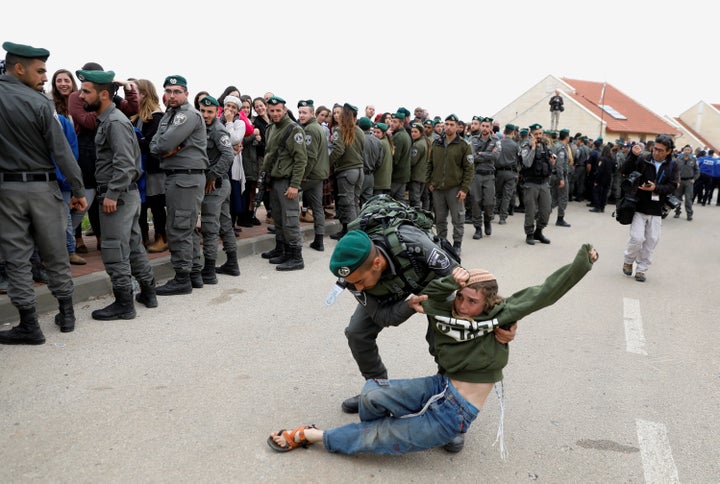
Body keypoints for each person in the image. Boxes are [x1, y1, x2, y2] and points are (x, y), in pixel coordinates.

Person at [268, 240, 597, 455]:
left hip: (456, 413)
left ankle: (315, 436)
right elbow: (431, 293)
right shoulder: (442, 305)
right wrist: (455, 282)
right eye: (462, 298)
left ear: (490, 303)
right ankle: (371, 425)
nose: (465, 306)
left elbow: (545, 293)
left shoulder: (500, 314)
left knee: (377, 438)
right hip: (442, 384)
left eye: (473, 301)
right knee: (370, 394)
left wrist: (582, 262)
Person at [0, 41, 87, 344]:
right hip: (43, 188)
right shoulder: (40, 103)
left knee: (17, 258)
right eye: (40, 71)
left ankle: (28, 324)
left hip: (7, 191)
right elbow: (61, 151)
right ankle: (66, 313)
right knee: (55, 252)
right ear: (19, 68)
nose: (44, 77)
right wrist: (77, 189)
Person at [76, 69, 157, 319]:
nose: (80, 96)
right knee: (133, 246)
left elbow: (125, 164)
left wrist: (111, 194)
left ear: (103, 94)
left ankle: (124, 303)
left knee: (113, 248)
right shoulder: (111, 120)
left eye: (86, 91)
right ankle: (148, 292)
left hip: (118, 197)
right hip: (125, 195)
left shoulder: (114, 122)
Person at [150, 75, 209, 295]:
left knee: (178, 227)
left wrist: (162, 146)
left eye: (177, 91)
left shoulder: (187, 115)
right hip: (179, 176)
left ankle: (182, 278)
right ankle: (194, 274)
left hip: (185, 177)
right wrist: (162, 147)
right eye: (168, 91)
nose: (172, 95)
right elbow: (155, 145)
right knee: (187, 227)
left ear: (186, 93)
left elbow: (162, 143)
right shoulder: (170, 114)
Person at [620, 135, 679, 282]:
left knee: (652, 240)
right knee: (637, 238)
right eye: (655, 149)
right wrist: (633, 155)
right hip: (639, 206)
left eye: (660, 150)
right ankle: (628, 261)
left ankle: (641, 269)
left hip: (657, 209)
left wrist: (656, 188)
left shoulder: (673, 165)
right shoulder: (643, 159)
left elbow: (672, 186)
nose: (656, 152)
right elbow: (625, 171)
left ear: (668, 151)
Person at [259, 96, 307, 271]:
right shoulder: (271, 128)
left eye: (278, 110)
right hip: (274, 179)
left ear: (285, 110)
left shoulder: (294, 129)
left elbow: (301, 160)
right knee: (278, 218)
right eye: (272, 111)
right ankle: (283, 250)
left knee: (290, 219)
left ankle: (296, 256)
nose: (275, 113)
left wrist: (295, 185)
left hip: (287, 182)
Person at [196, 95, 237, 284]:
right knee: (225, 224)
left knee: (210, 228)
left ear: (216, 112)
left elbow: (228, 155)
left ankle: (209, 271)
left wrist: (212, 175)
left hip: (216, 185)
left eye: (210, 112)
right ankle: (232, 263)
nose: (205, 115)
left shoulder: (218, 131)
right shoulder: (200, 127)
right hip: (220, 184)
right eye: (202, 111)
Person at [426, 114, 474, 256]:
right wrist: (429, 182)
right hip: (438, 188)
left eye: (451, 124)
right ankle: (442, 242)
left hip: (455, 189)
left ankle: (457, 244)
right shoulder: (437, 143)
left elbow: (469, 169)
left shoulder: (464, 145)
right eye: (446, 124)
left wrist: (464, 189)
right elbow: (430, 164)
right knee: (440, 219)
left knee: (458, 218)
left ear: (457, 126)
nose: (448, 127)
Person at [131, 79, 167, 253]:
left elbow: (152, 143)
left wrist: (136, 141)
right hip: (142, 168)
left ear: (144, 94)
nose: (131, 96)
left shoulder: (156, 115)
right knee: (143, 204)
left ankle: (162, 237)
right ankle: (144, 236)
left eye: (135, 92)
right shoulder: (137, 115)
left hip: (154, 167)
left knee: (156, 203)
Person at [297, 100, 330, 252]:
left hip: (311, 175)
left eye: (304, 112)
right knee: (318, 208)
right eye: (300, 112)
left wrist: (301, 176)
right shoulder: (318, 127)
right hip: (319, 174)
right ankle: (319, 240)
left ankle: (289, 238)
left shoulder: (310, 129)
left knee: (287, 200)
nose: (301, 115)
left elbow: (310, 156)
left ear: (312, 113)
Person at [328, 103, 364, 240]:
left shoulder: (339, 130)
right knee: (354, 202)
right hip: (358, 170)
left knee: (347, 204)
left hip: (347, 171)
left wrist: (327, 163)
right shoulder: (359, 130)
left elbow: (338, 150)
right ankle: (352, 231)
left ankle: (353, 236)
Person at [519, 123, 553, 245]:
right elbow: (527, 163)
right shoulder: (526, 145)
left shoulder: (545, 145)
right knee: (531, 211)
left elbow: (547, 163)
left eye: (540, 133)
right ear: (531, 134)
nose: (539, 136)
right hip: (531, 183)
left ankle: (539, 231)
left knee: (546, 210)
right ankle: (529, 234)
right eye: (536, 134)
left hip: (544, 183)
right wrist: (533, 148)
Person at [468, 116, 499, 239]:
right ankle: (477, 228)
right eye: (483, 126)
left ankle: (487, 221)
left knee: (489, 203)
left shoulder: (496, 140)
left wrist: (481, 154)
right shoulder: (473, 139)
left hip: (489, 176)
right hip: (476, 175)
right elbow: (472, 157)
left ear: (491, 127)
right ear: (480, 127)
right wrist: (487, 154)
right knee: (475, 202)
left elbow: (496, 156)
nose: (485, 128)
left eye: (487, 126)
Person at [494, 124, 520, 225]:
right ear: (513, 132)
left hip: (499, 172)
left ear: (504, 132)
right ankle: (502, 218)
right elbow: (519, 160)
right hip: (510, 172)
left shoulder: (498, 143)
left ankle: (492, 214)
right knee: (507, 195)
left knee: (498, 194)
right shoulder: (515, 145)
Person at [357, 116, 383, 207]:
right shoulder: (378, 141)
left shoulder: (358, 139)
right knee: (367, 204)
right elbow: (379, 162)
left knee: (355, 201)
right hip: (370, 175)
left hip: (359, 174)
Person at [551, 128, 572, 227]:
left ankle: (540, 214)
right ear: (567, 137)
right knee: (563, 198)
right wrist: (562, 179)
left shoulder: (555, 146)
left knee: (553, 198)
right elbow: (559, 165)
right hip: (560, 176)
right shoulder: (562, 148)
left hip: (554, 175)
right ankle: (560, 219)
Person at [389, 111, 411, 202]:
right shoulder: (405, 134)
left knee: (389, 201)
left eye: (394, 122)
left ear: (401, 123)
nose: (391, 124)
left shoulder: (398, 136)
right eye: (391, 121)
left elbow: (394, 158)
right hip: (403, 175)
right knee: (400, 201)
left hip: (396, 176)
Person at [673, 144, 699, 220]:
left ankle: (689, 214)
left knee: (688, 199)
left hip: (689, 182)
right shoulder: (678, 159)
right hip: (680, 181)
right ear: (683, 151)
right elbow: (675, 171)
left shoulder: (693, 160)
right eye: (685, 150)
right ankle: (677, 212)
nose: (687, 151)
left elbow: (697, 171)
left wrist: (694, 179)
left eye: (688, 150)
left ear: (691, 151)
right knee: (677, 198)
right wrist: (676, 180)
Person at [407, 122, 430, 209]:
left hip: (416, 176)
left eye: (415, 132)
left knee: (415, 200)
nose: (413, 133)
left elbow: (412, 161)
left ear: (420, 132)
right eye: (412, 131)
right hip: (423, 176)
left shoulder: (417, 145)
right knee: (424, 198)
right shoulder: (425, 142)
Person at [589, 143, 614, 213]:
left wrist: (596, 180)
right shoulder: (612, 159)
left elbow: (599, 170)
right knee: (604, 194)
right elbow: (614, 169)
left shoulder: (602, 159)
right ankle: (602, 207)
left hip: (601, 179)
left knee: (596, 192)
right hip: (608, 179)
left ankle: (597, 207)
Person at [372, 122, 393, 196]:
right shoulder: (386, 141)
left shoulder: (380, 143)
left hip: (378, 180)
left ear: (384, 133)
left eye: (378, 132)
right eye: (374, 132)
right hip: (385, 181)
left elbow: (376, 162)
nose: (375, 134)